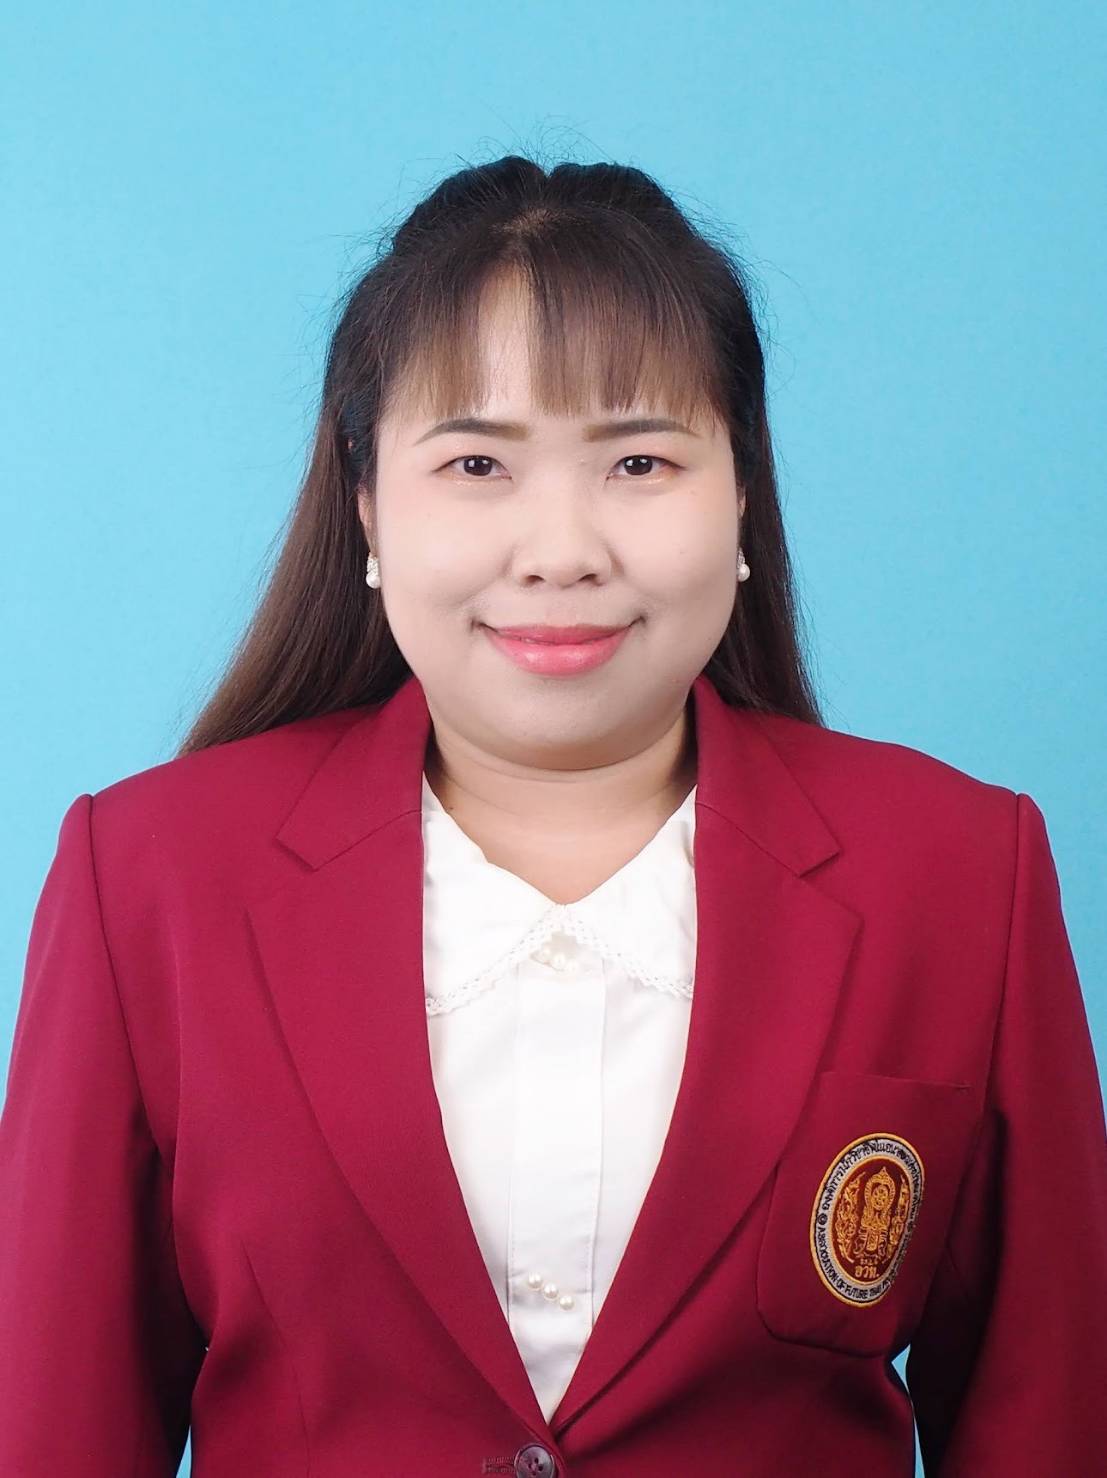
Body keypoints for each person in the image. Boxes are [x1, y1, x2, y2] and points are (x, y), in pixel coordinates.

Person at [1, 153, 1104, 1478]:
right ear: (367, 503)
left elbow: (1054, 1415)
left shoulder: (959, 870)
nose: (563, 550)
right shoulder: (150, 877)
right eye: (477, 462)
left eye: (640, 459)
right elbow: (52, 1425)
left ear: (742, 492)